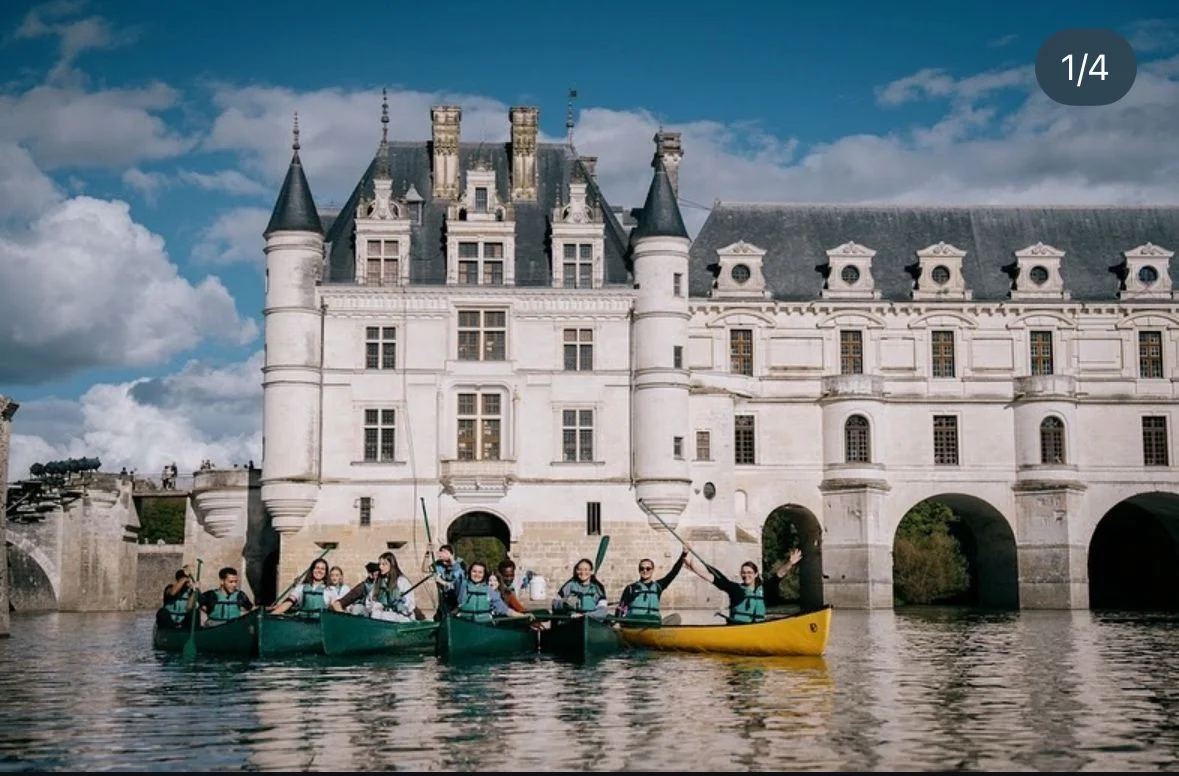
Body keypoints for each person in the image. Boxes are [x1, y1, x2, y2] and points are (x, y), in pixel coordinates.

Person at [684, 548, 802, 624]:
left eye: (749, 573)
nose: (746, 575)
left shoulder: (763, 589)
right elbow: (713, 579)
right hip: (738, 628)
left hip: (758, 628)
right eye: (743, 573)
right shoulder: (735, 589)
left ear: (756, 574)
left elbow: (780, 574)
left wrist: (790, 563)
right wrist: (694, 567)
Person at [616, 547, 688, 623]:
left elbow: (673, 572)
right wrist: (618, 621)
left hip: (654, 622)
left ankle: (659, 632)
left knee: (676, 617)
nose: (644, 571)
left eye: (648, 568)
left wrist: (684, 554)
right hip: (636, 623)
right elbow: (620, 608)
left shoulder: (658, 586)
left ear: (652, 570)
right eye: (642, 568)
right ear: (639, 570)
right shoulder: (631, 588)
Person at [365, 552, 416, 622]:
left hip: (400, 617)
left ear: (391, 565)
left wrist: (403, 604)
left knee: (387, 617)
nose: (380, 567)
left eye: (384, 564)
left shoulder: (401, 581)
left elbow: (410, 602)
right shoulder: (378, 581)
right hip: (382, 616)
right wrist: (377, 606)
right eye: (380, 564)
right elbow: (370, 599)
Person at [421, 544, 465, 619]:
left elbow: (458, 582)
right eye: (440, 551)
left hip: (456, 601)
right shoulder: (438, 564)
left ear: (451, 554)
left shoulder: (459, 564)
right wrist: (428, 553)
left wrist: (441, 581)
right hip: (444, 601)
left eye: (444, 552)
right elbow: (425, 569)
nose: (440, 554)